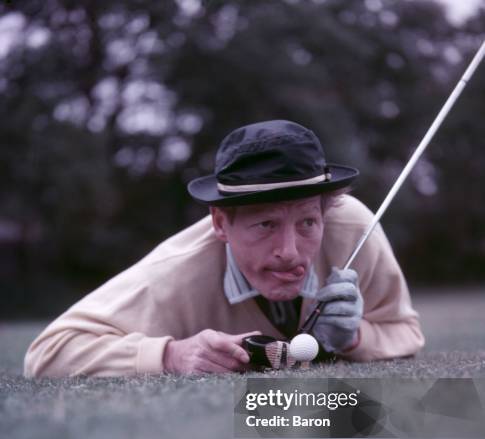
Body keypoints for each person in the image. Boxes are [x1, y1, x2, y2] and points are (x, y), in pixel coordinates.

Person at [24, 119, 425, 377]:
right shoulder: (174, 272)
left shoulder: (355, 228)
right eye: (266, 224)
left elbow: (405, 331)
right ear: (220, 223)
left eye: (307, 222)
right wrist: (171, 356)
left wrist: (355, 338)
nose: (290, 251)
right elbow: (47, 354)